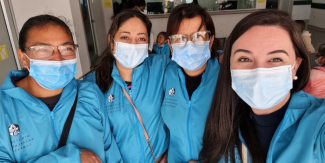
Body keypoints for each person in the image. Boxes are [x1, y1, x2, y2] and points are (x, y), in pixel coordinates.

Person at [200, 10, 325, 163]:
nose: (259, 71)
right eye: (244, 58)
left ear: (296, 66)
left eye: (276, 59)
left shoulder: (319, 124)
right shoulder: (223, 124)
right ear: (229, 66)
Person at [0, 15, 121, 162]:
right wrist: (70, 158)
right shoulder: (4, 108)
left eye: (66, 48)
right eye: (43, 49)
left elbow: (110, 151)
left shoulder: (90, 93)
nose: (58, 59)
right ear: (23, 57)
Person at [82, 10, 169, 162]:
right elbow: (96, 138)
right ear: (111, 41)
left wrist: (171, 151)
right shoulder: (93, 84)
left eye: (141, 38)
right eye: (125, 37)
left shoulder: (161, 67)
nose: (133, 45)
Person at [161, 4, 220, 162]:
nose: (189, 45)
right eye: (180, 38)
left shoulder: (225, 76)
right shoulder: (166, 75)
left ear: (210, 40)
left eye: (198, 36)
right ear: (170, 46)